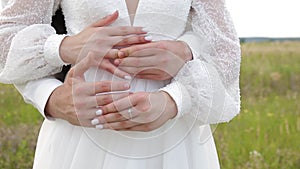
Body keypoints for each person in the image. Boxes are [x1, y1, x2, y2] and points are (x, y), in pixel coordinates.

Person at [0, 0, 241, 169]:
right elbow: (5, 41)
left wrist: (176, 98)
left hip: (172, 134)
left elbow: (225, 51)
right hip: (81, 131)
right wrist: (61, 51)